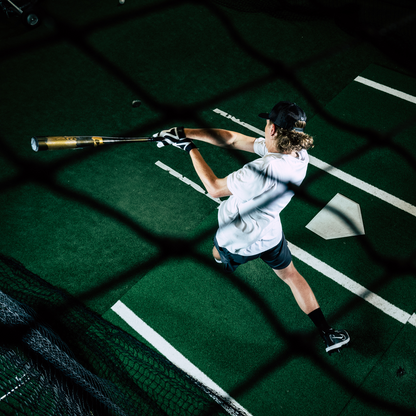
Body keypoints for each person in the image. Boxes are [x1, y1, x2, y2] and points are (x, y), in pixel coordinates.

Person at [154, 101, 350, 354]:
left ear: (272, 129)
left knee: (217, 253)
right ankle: (328, 334)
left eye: (267, 122)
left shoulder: (261, 170)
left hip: (237, 238)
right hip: (270, 234)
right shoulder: (298, 154)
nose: (265, 125)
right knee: (291, 275)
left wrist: (189, 147)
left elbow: (214, 188)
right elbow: (234, 140)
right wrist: (185, 131)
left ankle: (223, 263)